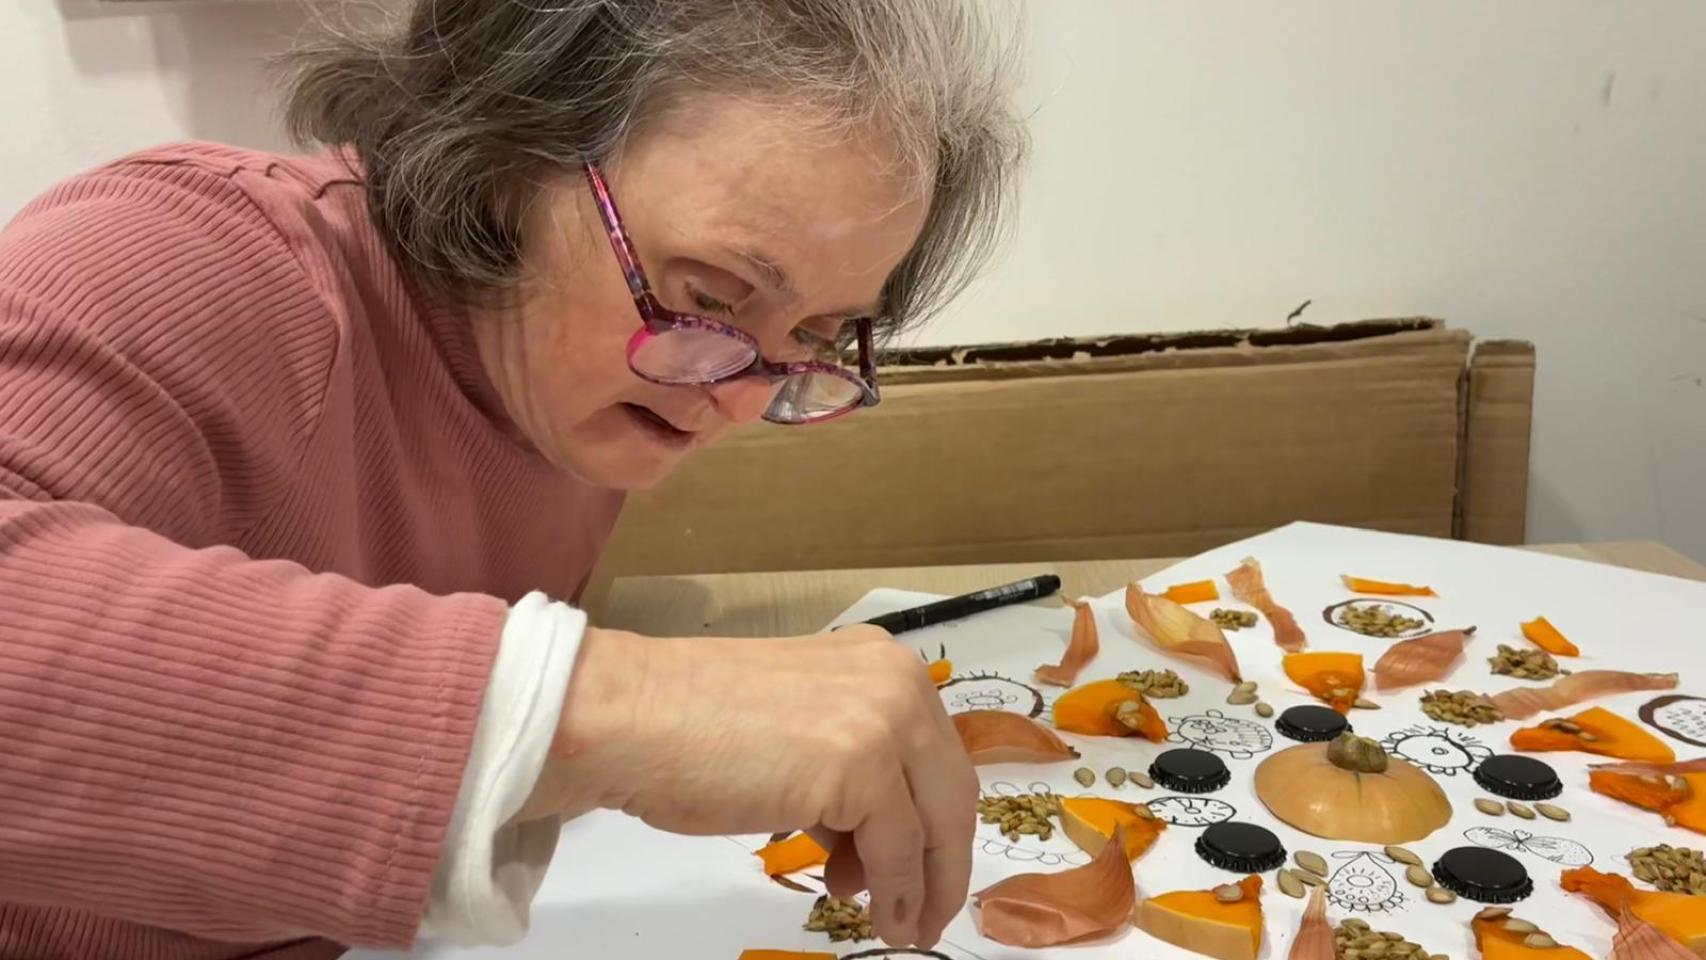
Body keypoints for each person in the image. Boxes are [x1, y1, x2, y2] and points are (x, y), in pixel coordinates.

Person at [0, 1, 1025, 958]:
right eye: (708, 296)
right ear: (506, 157)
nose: (741, 399)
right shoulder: (183, 255)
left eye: (807, 337)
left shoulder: (571, 395)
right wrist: (608, 707)